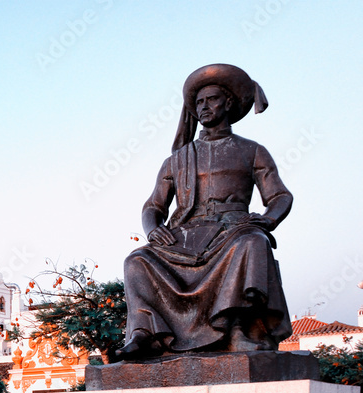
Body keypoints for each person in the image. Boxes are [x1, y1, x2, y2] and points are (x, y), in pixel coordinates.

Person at [118, 64, 293, 359]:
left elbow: (280, 196)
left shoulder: (252, 150)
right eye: (199, 102)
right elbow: (153, 206)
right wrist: (153, 229)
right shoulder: (178, 159)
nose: (204, 107)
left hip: (233, 229)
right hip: (185, 235)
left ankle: (236, 331)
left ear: (228, 103)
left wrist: (268, 219)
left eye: (211, 99)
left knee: (253, 242)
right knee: (137, 260)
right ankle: (145, 334)